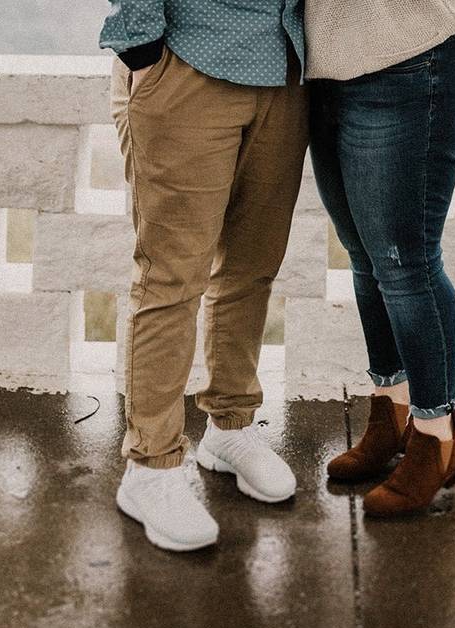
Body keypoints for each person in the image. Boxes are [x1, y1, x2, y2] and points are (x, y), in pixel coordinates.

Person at [100, 0, 308, 551]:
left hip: (286, 70)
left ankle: (230, 427)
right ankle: (150, 465)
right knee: (170, 281)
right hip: (185, 64)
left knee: (251, 269)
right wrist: (144, 53)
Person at [305, 2, 455, 516]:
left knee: (405, 264)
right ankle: (391, 414)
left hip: (417, 51)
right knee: (366, 257)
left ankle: (435, 436)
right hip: (329, 63)